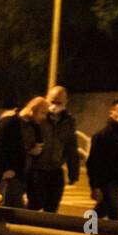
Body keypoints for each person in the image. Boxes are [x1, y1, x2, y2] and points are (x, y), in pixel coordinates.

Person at [27, 85, 78, 213]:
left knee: (52, 207)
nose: (55, 105)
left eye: (59, 102)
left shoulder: (69, 121)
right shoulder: (39, 117)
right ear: (46, 99)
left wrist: (73, 172)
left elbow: (71, 146)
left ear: (66, 102)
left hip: (56, 170)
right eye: (52, 101)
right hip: (37, 169)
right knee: (36, 203)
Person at [0, 99, 41, 208]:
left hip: (23, 172)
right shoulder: (9, 122)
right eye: (43, 113)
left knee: (27, 205)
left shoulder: (33, 126)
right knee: (12, 207)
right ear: (33, 111)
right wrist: (5, 169)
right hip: (11, 173)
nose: (44, 117)